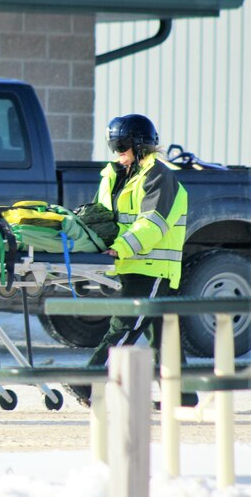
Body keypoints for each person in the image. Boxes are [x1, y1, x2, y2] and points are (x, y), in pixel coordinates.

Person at [67, 114, 197, 408]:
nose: (118, 152)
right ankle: (183, 397)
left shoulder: (159, 177)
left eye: (123, 145)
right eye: (114, 146)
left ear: (141, 145)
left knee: (125, 324)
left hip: (151, 267)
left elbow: (153, 222)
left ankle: (90, 382)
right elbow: (104, 217)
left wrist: (120, 248)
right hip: (131, 264)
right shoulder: (114, 176)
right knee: (165, 335)